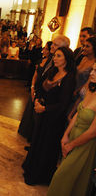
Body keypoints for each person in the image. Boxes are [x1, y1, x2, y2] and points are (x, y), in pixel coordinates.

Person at [22, 46, 76, 185]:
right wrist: (38, 100)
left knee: (46, 147)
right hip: (42, 113)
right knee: (37, 141)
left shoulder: (69, 78)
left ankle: (39, 176)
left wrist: (45, 108)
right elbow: (40, 86)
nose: (55, 58)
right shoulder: (52, 71)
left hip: (53, 118)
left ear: (66, 59)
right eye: (55, 55)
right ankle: (31, 168)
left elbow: (63, 104)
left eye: (58, 56)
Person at [47, 62, 96, 196]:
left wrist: (71, 145)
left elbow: (93, 132)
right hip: (72, 137)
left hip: (84, 144)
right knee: (67, 179)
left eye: (95, 71)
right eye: (92, 70)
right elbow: (78, 114)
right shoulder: (91, 89)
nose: (91, 73)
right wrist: (65, 135)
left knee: (62, 177)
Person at [18, 41, 53, 142]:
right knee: (29, 110)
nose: (43, 51)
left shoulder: (50, 63)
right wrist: (32, 87)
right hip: (35, 88)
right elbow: (35, 74)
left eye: (46, 49)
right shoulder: (41, 60)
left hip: (40, 90)